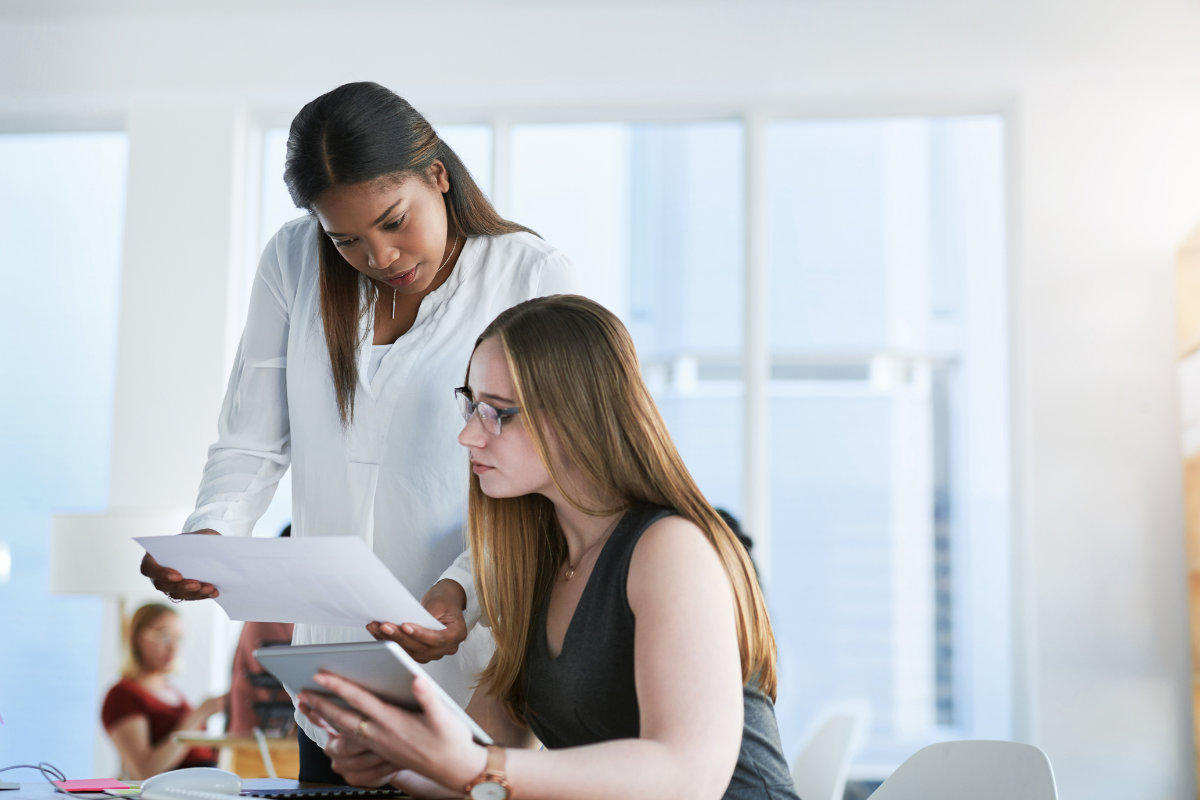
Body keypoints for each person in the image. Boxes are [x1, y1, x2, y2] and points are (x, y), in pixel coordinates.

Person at [136, 81, 576, 781]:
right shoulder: (292, 261)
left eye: (395, 221)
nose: (380, 257)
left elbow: (551, 475)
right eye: (346, 239)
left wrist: (462, 590)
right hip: (332, 687)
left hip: (472, 683)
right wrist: (213, 534)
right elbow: (252, 438)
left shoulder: (529, 274)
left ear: (438, 175)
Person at [297, 296, 800, 800]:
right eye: (471, 404)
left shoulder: (669, 549)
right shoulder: (535, 561)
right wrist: (395, 762)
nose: (468, 434)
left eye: (498, 413)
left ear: (580, 416)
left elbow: (686, 779)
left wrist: (470, 764)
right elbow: (485, 755)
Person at [102, 604, 226, 780]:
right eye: (164, 636)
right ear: (137, 638)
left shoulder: (175, 693)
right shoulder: (123, 694)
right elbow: (144, 772)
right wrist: (199, 715)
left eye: (178, 638)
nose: (174, 647)